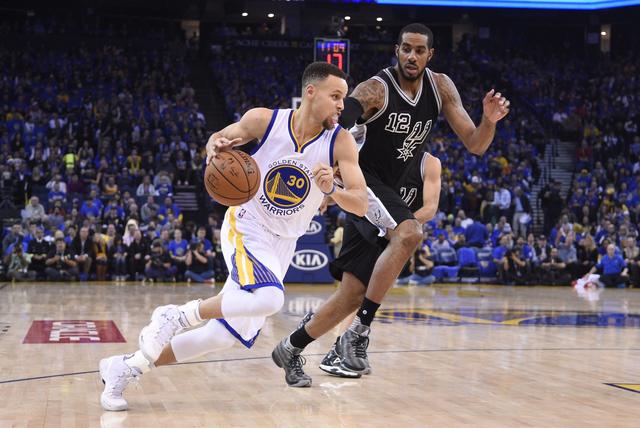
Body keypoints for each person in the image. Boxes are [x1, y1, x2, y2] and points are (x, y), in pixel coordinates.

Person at [98, 62, 368, 411]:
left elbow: (360, 202)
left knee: (219, 336)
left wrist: (333, 189)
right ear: (311, 92)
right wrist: (214, 144)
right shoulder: (264, 121)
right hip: (248, 225)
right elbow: (218, 141)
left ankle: (125, 367)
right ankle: (177, 316)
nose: (342, 105)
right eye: (336, 96)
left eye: (343, 98)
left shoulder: (340, 142)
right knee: (270, 298)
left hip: (284, 243)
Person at [272, 23, 510, 384]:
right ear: (396, 51)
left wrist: (489, 121)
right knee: (410, 232)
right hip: (363, 183)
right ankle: (357, 334)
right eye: (406, 49)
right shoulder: (376, 88)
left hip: (387, 195)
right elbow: (340, 120)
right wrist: (329, 175)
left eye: (419, 50)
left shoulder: (441, 87)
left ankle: (290, 347)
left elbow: (476, 144)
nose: (411, 56)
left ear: (430, 55)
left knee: (352, 294)